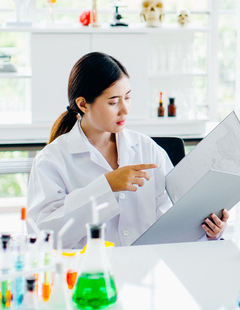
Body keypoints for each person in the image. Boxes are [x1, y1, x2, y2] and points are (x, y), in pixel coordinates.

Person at [27, 52, 229, 248]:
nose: (125, 109)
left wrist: (208, 230)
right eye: (113, 102)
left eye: (128, 97)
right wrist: (106, 186)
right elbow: (44, 237)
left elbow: (173, 219)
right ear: (83, 104)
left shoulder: (147, 148)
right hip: (89, 274)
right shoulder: (52, 160)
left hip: (147, 270)